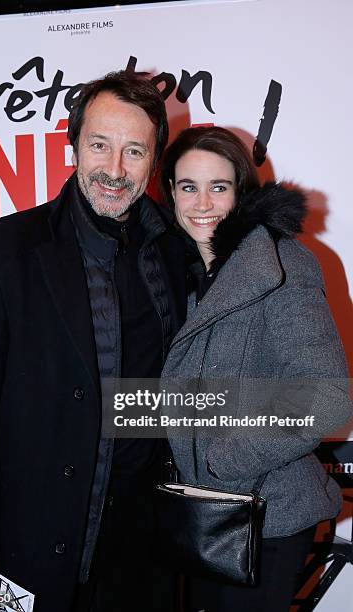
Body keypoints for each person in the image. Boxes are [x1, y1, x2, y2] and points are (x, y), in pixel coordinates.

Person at [0, 71, 187, 612]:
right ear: (73, 144)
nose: (115, 170)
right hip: (24, 541)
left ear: (155, 161)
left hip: (137, 552)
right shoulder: (1, 250)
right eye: (100, 145)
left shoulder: (173, 253)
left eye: (134, 151)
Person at [160, 126, 352, 612]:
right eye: (188, 187)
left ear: (241, 192)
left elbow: (326, 397)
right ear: (171, 194)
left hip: (266, 514)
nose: (202, 202)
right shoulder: (172, 272)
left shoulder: (282, 264)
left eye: (218, 187)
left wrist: (225, 458)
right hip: (198, 510)